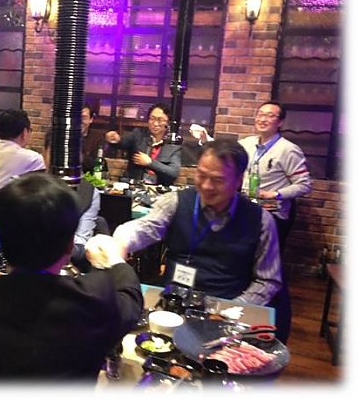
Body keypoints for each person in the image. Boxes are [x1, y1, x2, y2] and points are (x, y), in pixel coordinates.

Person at [0, 172, 143, 381]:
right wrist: (115, 260)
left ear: (0, 238)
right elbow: (131, 298)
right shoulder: (96, 302)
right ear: (70, 245)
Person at [86, 139, 284, 338]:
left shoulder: (261, 220)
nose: (206, 186)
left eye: (217, 180)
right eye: (201, 175)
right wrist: (119, 242)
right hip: (173, 304)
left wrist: (234, 308)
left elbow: (268, 280)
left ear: (239, 180)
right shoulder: (176, 201)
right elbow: (144, 228)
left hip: (225, 309)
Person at [190, 101, 312, 247]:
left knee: (265, 254)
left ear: (280, 122)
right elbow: (225, 152)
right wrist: (205, 139)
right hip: (248, 210)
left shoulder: (288, 150)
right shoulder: (248, 143)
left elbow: (304, 185)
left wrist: (275, 194)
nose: (263, 119)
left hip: (273, 213)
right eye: (260, 114)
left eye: (270, 116)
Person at [43, 129, 101, 270]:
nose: (62, 160)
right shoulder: (28, 185)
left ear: (81, 156)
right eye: (55, 152)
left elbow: (81, 243)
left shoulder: (88, 192)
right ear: (44, 153)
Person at [105, 103, 181, 186]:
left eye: (160, 120)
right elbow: (122, 142)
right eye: (152, 119)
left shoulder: (172, 145)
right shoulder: (138, 134)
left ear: (168, 123)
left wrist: (150, 163)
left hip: (158, 189)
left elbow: (173, 172)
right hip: (134, 186)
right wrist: (115, 139)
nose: (155, 124)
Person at [81, 103, 107, 173]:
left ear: (91, 119)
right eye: (76, 117)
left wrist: (82, 158)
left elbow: (99, 166)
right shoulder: (64, 136)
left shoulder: (97, 138)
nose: (79, 121)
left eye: (84, 118)